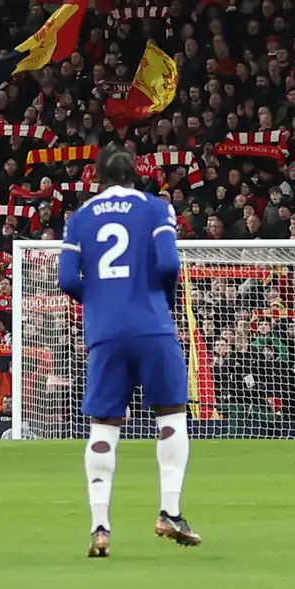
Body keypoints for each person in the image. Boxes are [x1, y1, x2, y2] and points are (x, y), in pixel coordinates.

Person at [56, 149, 200, 557]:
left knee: (104, 426)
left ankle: (99, 526)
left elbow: (67, 278)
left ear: (98, 180)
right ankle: (170, 511)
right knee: (171, 416)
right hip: (152, 324)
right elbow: (169, 263)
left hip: (105, 332)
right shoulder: (156, 208)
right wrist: (163, 302)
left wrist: (101, 297)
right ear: (136, 177)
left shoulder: (80, 217)